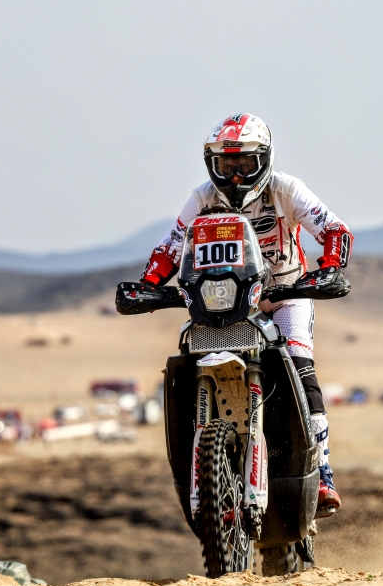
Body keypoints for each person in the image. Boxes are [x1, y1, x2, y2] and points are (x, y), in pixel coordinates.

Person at [138, 113, 353, 517]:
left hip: (286, 295)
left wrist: (329, 268)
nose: (235, 176)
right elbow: (170, 246)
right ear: (212, 165)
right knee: (185, 362)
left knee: (301, 365)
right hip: (226, 300)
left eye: (244, 164)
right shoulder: (202, 198)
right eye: (225, 165)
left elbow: (334, 230)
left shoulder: (286, 189)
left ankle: (322, 471)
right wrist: (148, 284)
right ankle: (203, 466)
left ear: (264, 160)